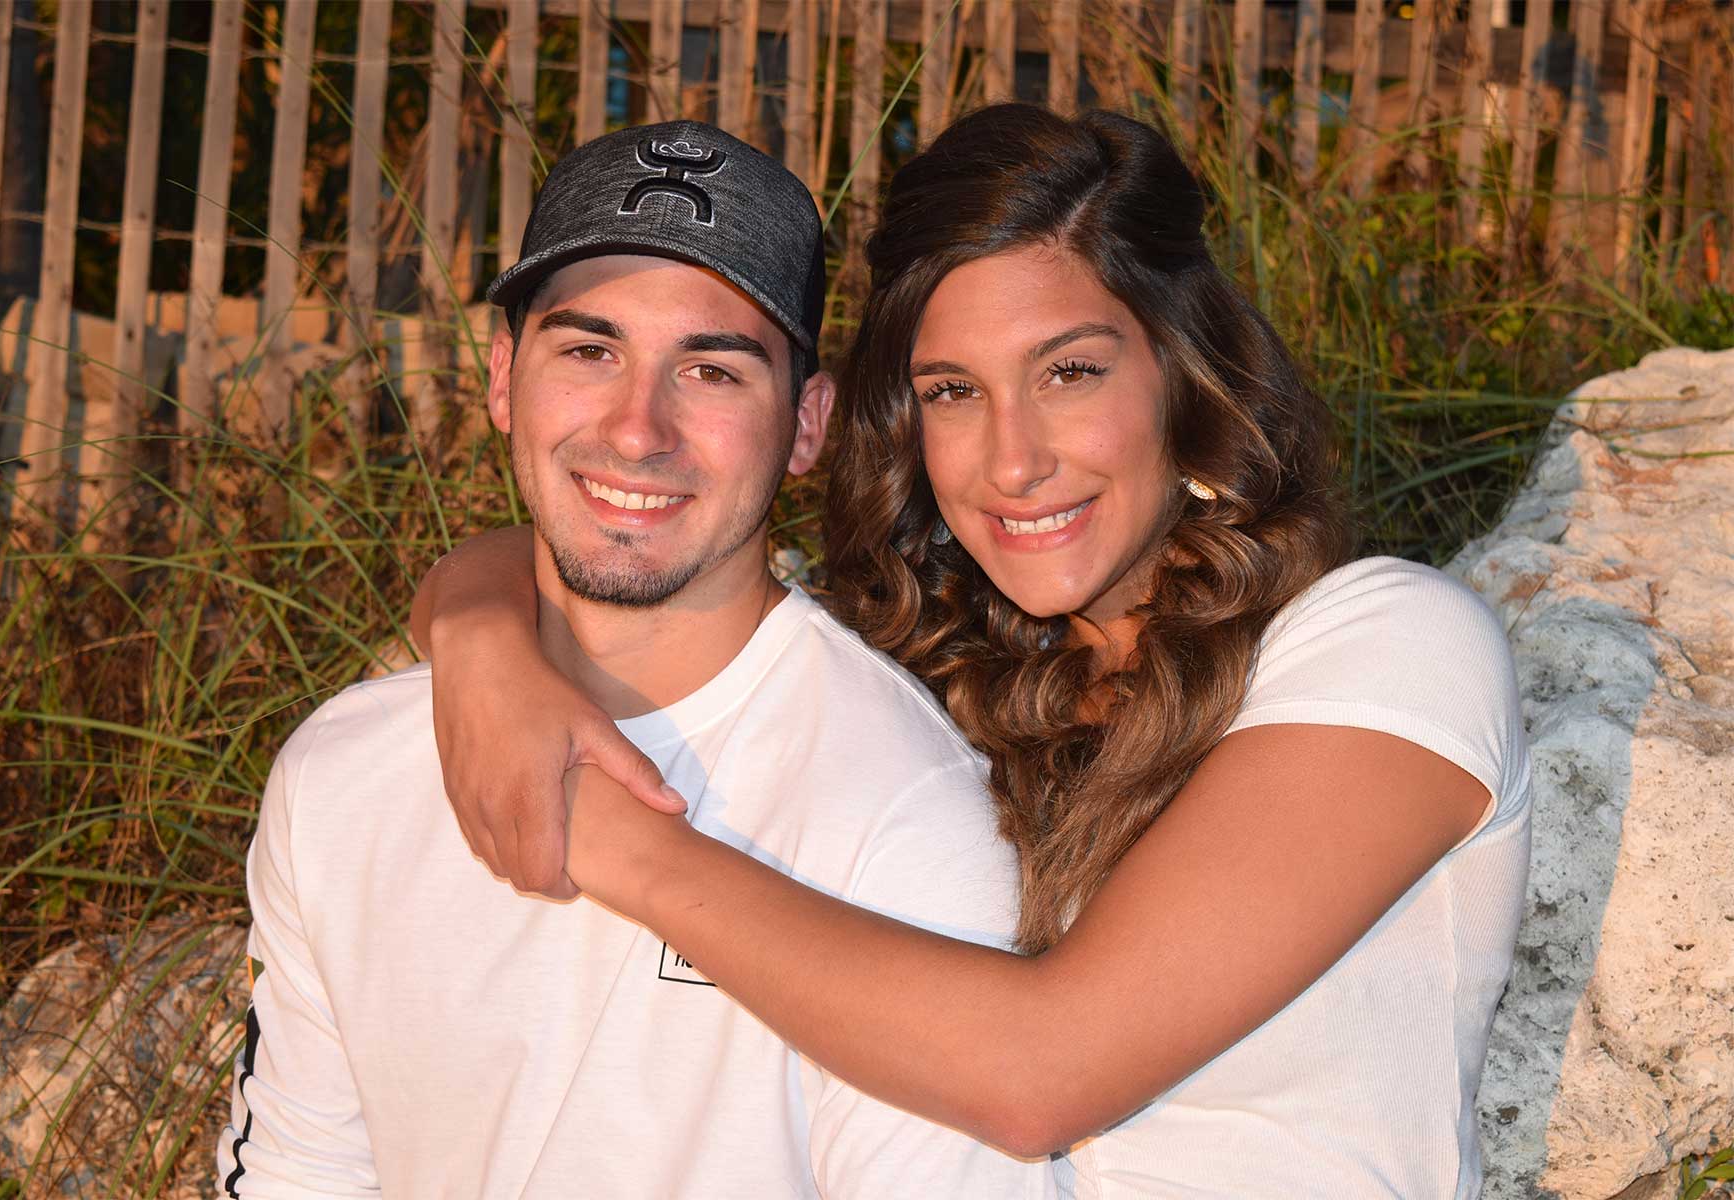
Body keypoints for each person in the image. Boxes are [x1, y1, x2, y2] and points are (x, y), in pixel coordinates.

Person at [415, 105, 1533, 1197]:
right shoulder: (935, 677)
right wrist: (478, 646)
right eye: (952, 393)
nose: (1012, 463)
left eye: (1069, 373)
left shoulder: (1389, 646)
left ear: (1183, 371)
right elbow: (589, 567)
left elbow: (1041, 1073)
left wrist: (592, 820)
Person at [216, 119, 1059, 1199]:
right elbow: (300, 1172)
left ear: (806, 425)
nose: (636, 429)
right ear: (502, 376)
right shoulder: (345, 772)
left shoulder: (905, 811)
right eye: (588, 351)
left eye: (711, 371)